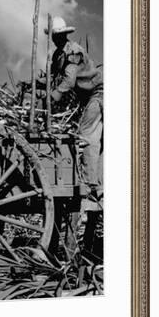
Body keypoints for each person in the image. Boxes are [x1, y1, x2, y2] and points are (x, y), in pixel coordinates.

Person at [45, 16, 103, 199]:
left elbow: (68, 82)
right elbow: (53, 77)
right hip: (86, 98)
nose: (57, 38)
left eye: (60, 35)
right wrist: (34, 85)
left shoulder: (74, 52)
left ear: (65, 35)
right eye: (55, 35)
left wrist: (50, 98)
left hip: (98, 93)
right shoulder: (58, 55)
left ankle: (91, 183)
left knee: (87, 133)